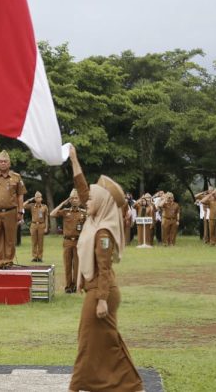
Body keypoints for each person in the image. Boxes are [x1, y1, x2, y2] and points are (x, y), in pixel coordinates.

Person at [66, 146, 143, 392]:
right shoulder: (95, 217)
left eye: (91, 199)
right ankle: (127, 383)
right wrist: (74, 159)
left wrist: (100, 300)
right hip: (99, 290)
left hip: (102, 291)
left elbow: (105, 269)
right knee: (103, 340)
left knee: (89, 342)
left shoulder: (103, 232)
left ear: (102, 203)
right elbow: (82, 188)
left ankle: (77, 387)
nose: (86, 200)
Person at [50, 189, 85, 293]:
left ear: (79, 200)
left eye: (76, 198)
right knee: (68, 265)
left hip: (79, 242)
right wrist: (62, 203)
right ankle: (68, 286)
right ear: (70, 200)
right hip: (67, 241)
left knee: (77, 265)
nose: (74, 200)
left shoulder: (84, 213)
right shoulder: (65, 212)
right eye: (73, 198)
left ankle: (75, 285)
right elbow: (52, 214)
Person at [24, 191, 49, 262]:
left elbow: (46, 218)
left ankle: (40, 257)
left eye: (40, 197)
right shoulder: (32, 205)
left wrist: (46, 227)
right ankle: (35, 257)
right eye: (37, 197)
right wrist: (29, 200)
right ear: (35, 198)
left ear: (41, 198)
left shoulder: (44, 207)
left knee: (40, 242)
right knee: (34, 241)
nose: (38, 198)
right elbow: (22, 206)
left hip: (41, 224)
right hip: (33, 225)